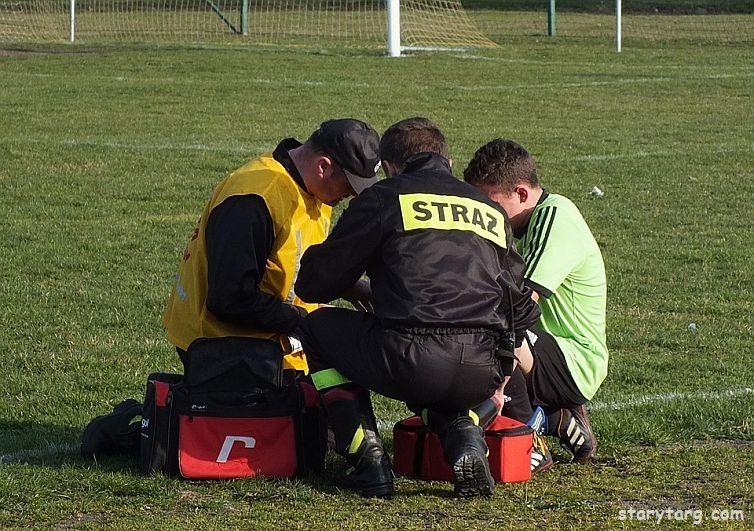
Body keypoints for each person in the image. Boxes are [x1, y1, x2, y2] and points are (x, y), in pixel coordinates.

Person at [293, 118, 541, 498]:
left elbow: (314, 284)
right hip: (483, 367)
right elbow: (520, 306)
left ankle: (367, 459)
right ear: (448, 159)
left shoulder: (385, 196)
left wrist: (351, 280)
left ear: (391, 167)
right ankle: (464, 435)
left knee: (316, 326)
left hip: (411, 358)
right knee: (437, 372)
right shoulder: (487, 208)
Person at [162, 119, 381, 374]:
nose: (351, 195)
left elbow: (295, 260)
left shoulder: (313, 188)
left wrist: (347, 286)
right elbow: (229, 299)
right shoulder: (254, 201)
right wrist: (304, 319)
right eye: (350, 185)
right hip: (219, 347)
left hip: (270, 336)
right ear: (323, 166)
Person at [463, 138, 608, 466]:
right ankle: (559, 420)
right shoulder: (525, 224)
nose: (484, 214)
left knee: (497, 332)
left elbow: (520, 303)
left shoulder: (555, 216)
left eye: (490, 204)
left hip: (576, 359)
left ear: (521, 193)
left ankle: (530, 439)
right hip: (543, 351)